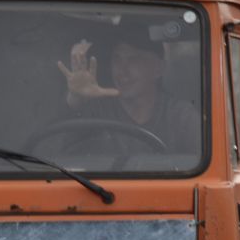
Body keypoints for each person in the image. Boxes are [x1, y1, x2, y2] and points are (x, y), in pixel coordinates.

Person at [55, 34, 199, 155]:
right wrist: (75, 99)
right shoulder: (97, 111)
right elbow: (56, 156)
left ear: (158, 69)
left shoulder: (180, 116)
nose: (122, 70)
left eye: (134, 59)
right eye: (117, 59)